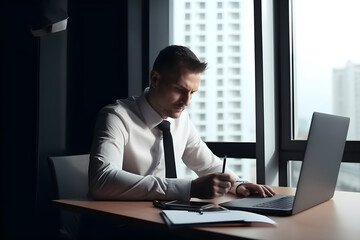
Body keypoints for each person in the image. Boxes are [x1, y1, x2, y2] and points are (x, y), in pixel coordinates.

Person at [88, 45, 275, 201]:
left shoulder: (181, 119)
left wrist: (238, 184)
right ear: (155, 79)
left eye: (192, 92)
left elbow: (208, 165)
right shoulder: (116, 117)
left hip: (164, 221)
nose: (186, 101)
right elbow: (102, 181)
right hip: (121, 225)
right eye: (180, 89)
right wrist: (188, 188)